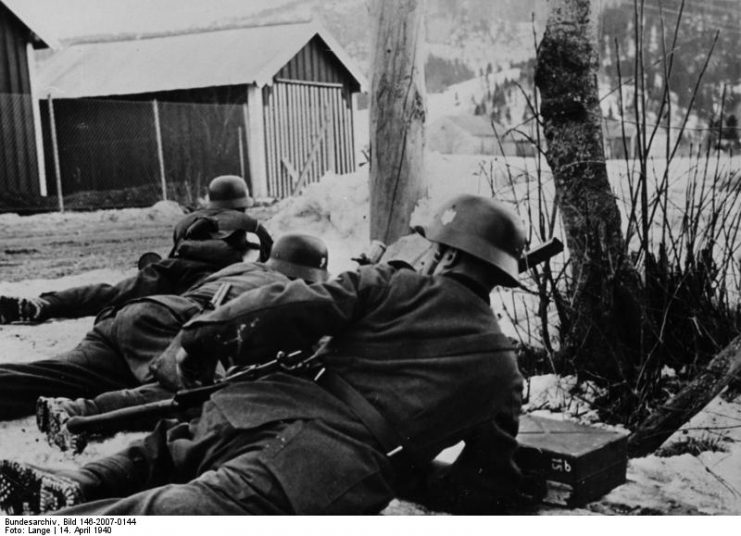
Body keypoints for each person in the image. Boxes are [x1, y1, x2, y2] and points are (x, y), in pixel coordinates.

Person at [0, 194, 526, 516]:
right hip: (324, 466)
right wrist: (409, 470)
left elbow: (287, 304)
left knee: (170, 450)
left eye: (433, 247)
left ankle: (79, 486)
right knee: (199, 507)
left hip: (258, 406)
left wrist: (201, 337)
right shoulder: (502, 374)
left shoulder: (392, 284)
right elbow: (486, 485)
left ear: (448, 254)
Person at [36, 234, 330, 453]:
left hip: (141, 313)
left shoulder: (241, 270)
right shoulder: (287, 290)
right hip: (178, 326)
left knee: (58, 371)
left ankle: (63, 407)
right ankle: (78, 413)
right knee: (192, 396)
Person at [0, 213, 267, 423]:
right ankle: (82, 413)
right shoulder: (252, 272)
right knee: (190, 392)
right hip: (162, 331)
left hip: (119, 327)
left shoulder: (185, 263)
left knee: (51, 375)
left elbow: (110, 293)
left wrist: (47, 304)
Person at [0, 177, 272, 324]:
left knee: (112, 292)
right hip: (211, 281)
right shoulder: (253, 226)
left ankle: (46, 304)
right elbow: (265, 265)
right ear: (244, 202)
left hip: (169, 269)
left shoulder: (188, 220)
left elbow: (175, 252)